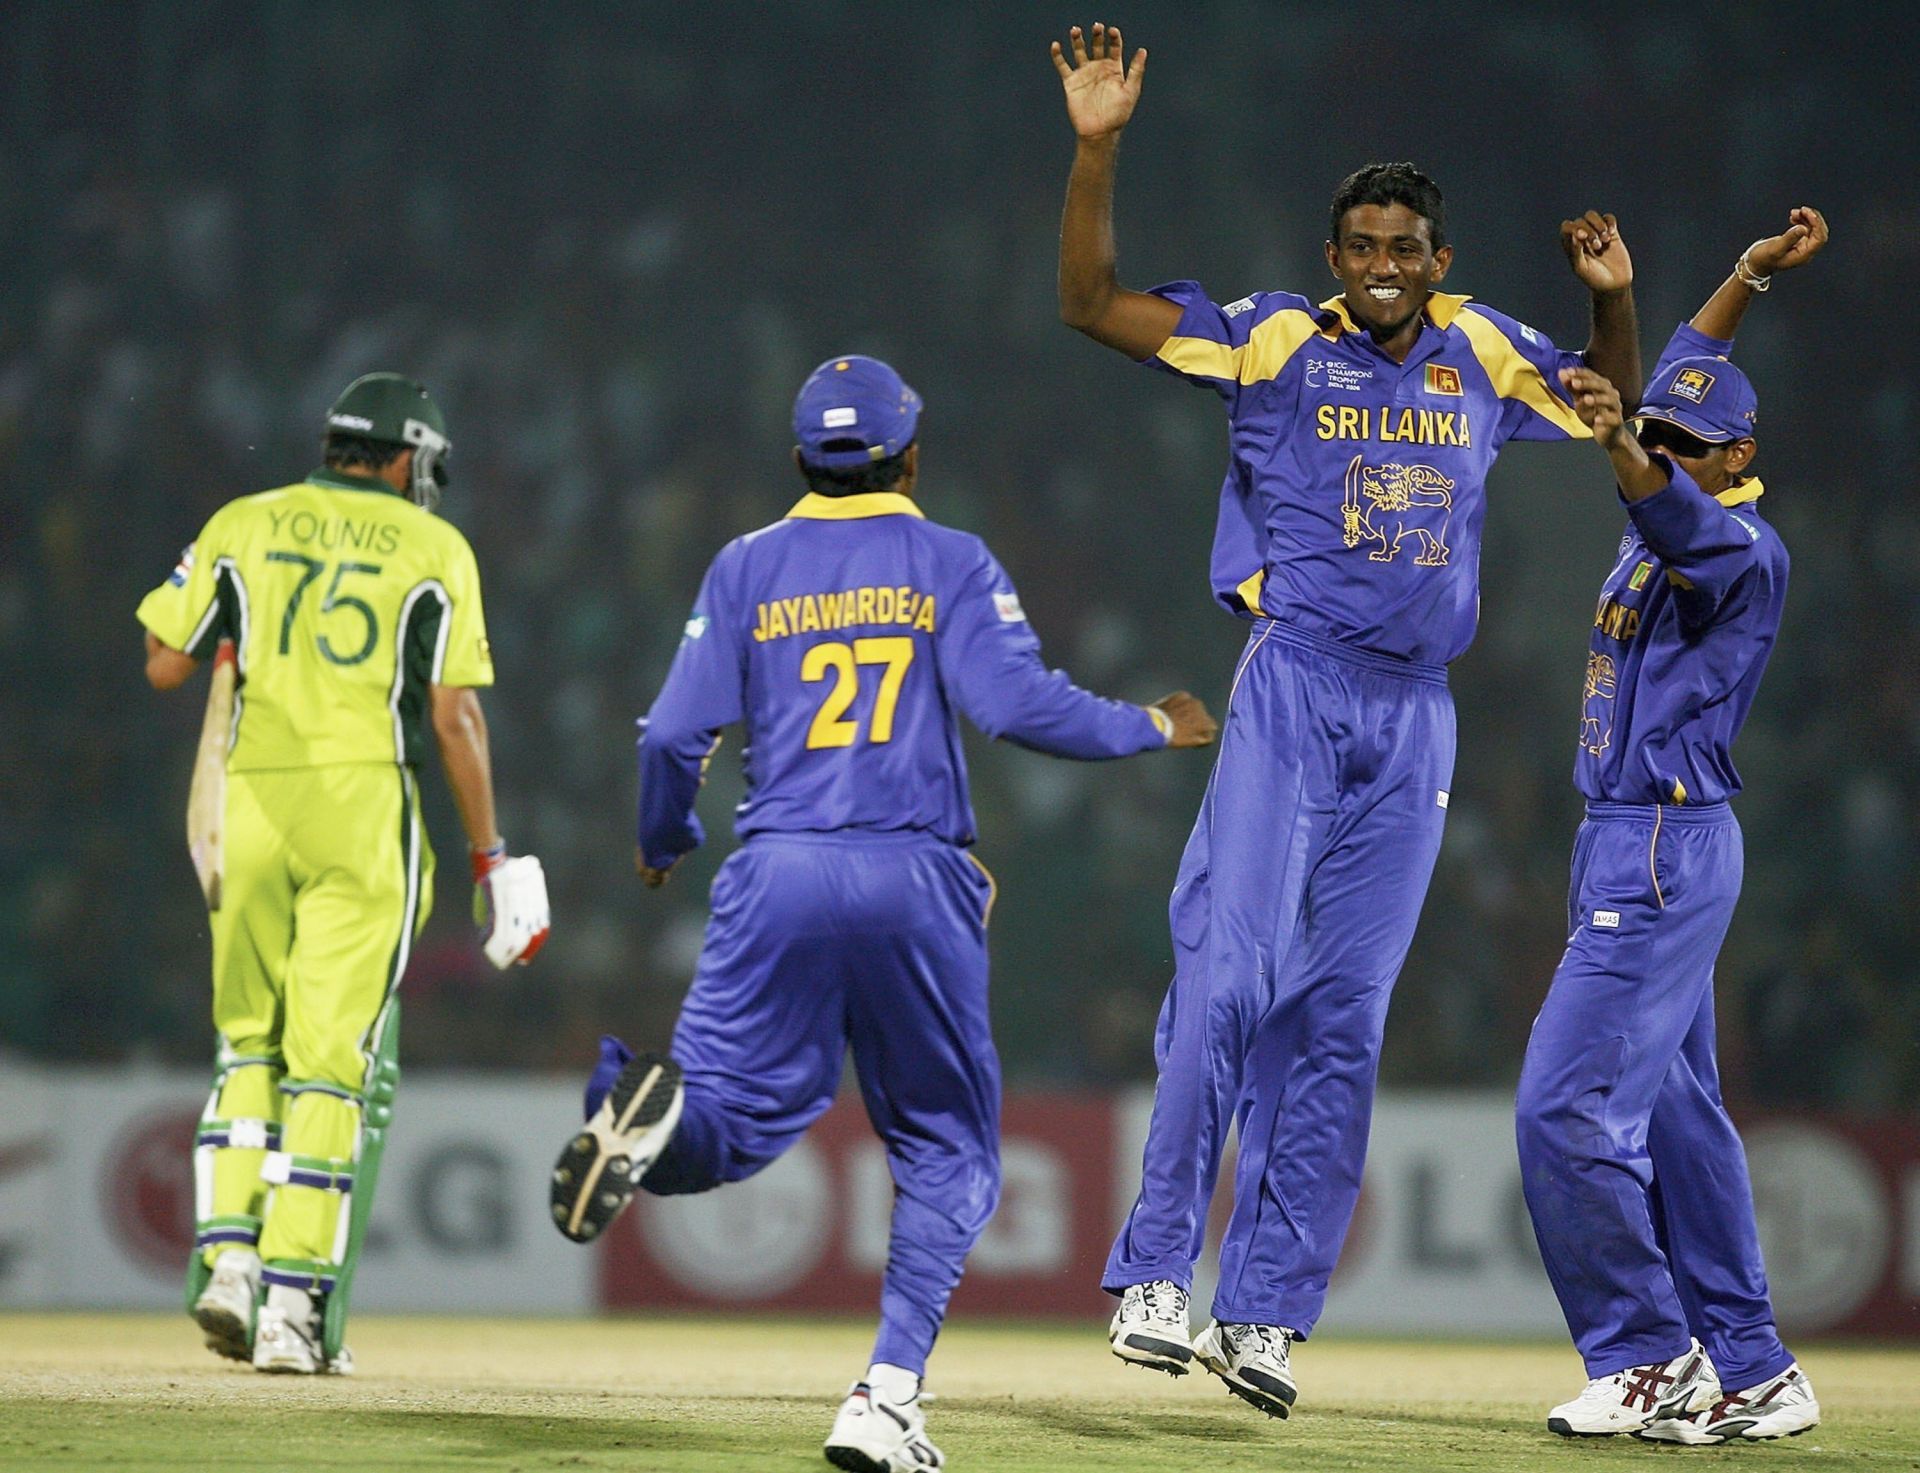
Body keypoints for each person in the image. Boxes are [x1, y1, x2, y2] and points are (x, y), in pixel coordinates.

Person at [1048, 22, 1641, 1417]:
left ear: (1439, 260)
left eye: (1405, 249)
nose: (1382, 267)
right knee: (1233, 973)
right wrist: (1097, 149)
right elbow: (1089, 304)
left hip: (1415, 721)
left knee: (1342, 1017)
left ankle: (1266, 1316)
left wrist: (1614, 304)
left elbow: (1607, 399)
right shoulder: (1265, 340)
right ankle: (1153, 1271)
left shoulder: (1488, 350)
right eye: (1361, 246)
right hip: (1294, 687)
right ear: (1335, 259)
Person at [548, 354, 1217, 1473]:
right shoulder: (944, 558)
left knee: (722, 1130)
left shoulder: (744, 564)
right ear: (913, 454)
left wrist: (664, 841)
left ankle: (647, 1122)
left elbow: (669, 737)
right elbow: (1013, 705)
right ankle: (884, 1395)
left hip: (777, 873)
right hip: (913, 879)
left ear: (800, 458)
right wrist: (1148, 726)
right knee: (947, 1148)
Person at [137, 373, 550, 1374]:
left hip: (248, 802)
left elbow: (162, 660)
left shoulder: (242, 520)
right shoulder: (434, 546)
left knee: (248, 1046)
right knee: (333, 1062)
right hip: (363, 807)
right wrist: (491, 853)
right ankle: (291, 1309)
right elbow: (454, 716)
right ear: (407, 457)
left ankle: (226, 1263)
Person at [1520, 207, 1829, 1441]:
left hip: (1659, 842)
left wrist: (1627, 446)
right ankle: (1755, 1369)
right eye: (1658, 429)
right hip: (1635, 839)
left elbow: (1665, 508)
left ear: (1738, 454)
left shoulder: (1737, 544)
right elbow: (1671, 404)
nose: (1661, 447)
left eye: (1689, 442)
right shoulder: (1674, 464)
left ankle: (1649, 1355)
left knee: (1563, 1108)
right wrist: (1741, 275)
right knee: (1683, 1120)